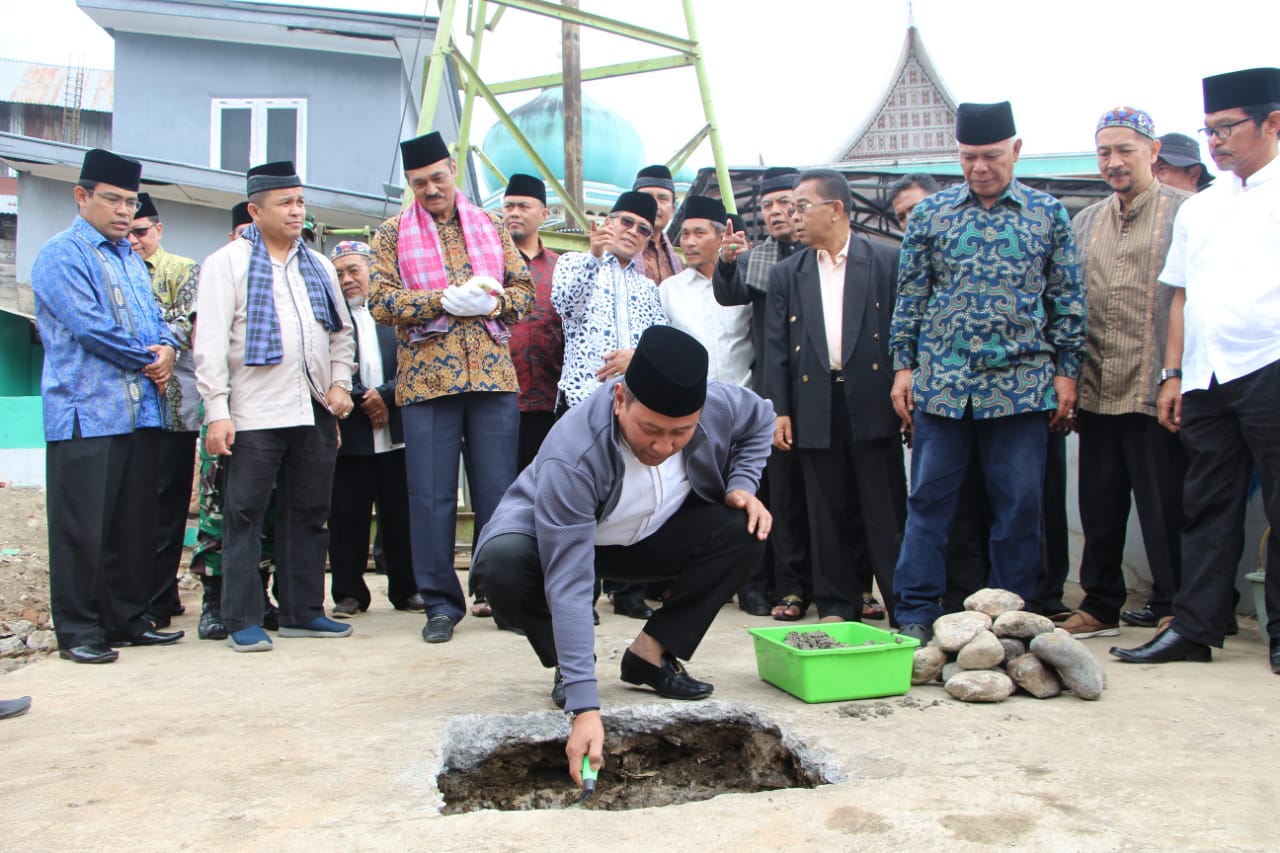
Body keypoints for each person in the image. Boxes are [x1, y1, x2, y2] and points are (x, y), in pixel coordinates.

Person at [470, 325, 773, 790]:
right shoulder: (574, 453)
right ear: (619, 399)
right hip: (562, 542)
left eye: (681, 433)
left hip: (649, 536)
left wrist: (741, 486)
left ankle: (649, 655)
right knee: (502, 563)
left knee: (745, 527)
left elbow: (762, 418)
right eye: (650, 429)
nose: (663, 445)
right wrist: (586, 708)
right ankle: (567, 670)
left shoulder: (719, 404)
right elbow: (568, 581)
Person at [889, 102, 1085, 644]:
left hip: (1022, 387)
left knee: (1019, 505)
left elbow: (1067, 298)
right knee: (928, 502)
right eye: (969, 156)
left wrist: (1067, 373)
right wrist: (902, 366)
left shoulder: (1048, 213)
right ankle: (916, 610)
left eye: (991, 156)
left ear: (1015, 151)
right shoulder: (932, 215)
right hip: (944, 388)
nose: (979, 167)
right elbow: (911, 296)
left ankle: (1011, 617)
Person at [1111, 67, 1280, 674]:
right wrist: (1173, 374)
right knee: (1206, 505)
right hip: (1207, 377)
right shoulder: (1202, 209)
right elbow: (1179, 295)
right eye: (1210, 132)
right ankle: (1195, 626)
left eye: (1229, 129)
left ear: (1273, 123)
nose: (1217, 143)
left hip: (1271, 367)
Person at [369, 131, 534, 644]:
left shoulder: (488, 225)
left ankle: (499, 594)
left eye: (437, 178)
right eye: (420, 183)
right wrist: (440, 299)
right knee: (431, 497)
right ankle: (441, 603)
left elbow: (524, 291)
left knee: (498, 493)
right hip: (426, 382)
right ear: (410, 185)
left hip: (491, 376)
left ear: (453, 171)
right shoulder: (392, 234)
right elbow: (380, 301)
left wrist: (494, 304)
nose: (431, 189)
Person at [195, 160, 356, 652]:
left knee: (309, 511)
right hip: (252, 411)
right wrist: (217, 410)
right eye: (285, 203)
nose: (296, 211)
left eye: (301, 202)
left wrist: (341, 383)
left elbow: (340, 333)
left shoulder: (320, 265)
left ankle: (302, 611)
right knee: (243, 515)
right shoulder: (227, 263)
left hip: (311, 409)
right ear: (255, 210)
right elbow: (211, 340)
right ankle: (241, 618)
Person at [31, 148, 184, 663]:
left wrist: (168, 348)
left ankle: (125, 620)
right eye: (113, 200)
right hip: (86, 413)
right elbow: (90, 326)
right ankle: (78, 630)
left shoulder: (130, 258)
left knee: (132, 524)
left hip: (140, 410)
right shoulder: (62, 254)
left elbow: (157, 319)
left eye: (131, 202)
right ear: (82, 196)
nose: (124, 212)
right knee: (83, 529)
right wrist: (151, 359)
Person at [1057, 107, 1192, 639]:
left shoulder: (1187, 214)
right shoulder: (1085, 222)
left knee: (1167, 507)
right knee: (1100, 506)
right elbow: (1067, 304)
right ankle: (1101, 604)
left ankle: (1181, 607)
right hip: (1097, 387)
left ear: (1153, 152)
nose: (1114, 162)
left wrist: (1177, 373)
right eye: (1104, 152)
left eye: (1125, 151)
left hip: (1156, 388)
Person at [765, 169, 906, 624]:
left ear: (837, 209)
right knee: (825, 508)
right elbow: (777, 349)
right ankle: (837, 605)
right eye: (791, 207)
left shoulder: (885, 261)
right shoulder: (789, 273)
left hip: (872, 398)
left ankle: (904, 605)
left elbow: (906, 334)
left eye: (802, 206)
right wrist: (780, 411)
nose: (793, 216)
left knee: (883, 508)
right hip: (814, 403)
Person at [552, 190, 667, 620]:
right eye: (626, 223)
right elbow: (565, 306)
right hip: (583, 398)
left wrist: (635, 357)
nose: (632, 234)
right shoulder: (573, 265)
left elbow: (659, 343)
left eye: (643, 230)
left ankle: (627, 590)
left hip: (633, 406)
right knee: (581, 500)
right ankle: (581, 591)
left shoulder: (647, 287)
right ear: (608, 222)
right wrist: (591, 256)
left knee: (628, 496)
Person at [715, 167, 811, 620]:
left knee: (830, 493)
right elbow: (730, 293)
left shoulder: (822, 257)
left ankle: (848, 584)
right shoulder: (760, 258)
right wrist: (730, 260)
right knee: (785, 496)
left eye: (785, 202)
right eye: (768, 205)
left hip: (825, 389)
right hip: (776, 393)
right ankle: (788, 587)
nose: (777, 212)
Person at [325, 240, 420, 617]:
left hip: (398, 429)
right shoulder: (330, 319)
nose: (348, 279)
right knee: (347, 516)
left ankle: (407, 589)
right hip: (352, 430)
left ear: (373, 272)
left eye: (354, 271)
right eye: (340, 273)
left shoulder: (395, 314)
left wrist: (387, 395)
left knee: (401, 515)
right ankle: (349, 593)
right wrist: (366, 397)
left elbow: (416, 363)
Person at [127, 192, 202, 627]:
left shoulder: (182, 270)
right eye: (130, 232)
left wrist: (159, 347)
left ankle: (160, 597)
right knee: (135, 505)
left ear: (158, 229)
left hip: (174, 408)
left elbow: (189, 322)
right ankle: (143, 595)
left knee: (169, 506)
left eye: (143, 231)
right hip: (129, 411)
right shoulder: (115, 269)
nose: (135, 240)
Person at [501, 173, 563, 472]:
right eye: (509, 206)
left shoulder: (561, 267)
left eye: (523, 206)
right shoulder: (489, 265)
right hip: (499, 402)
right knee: (497, 491)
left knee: (545, 485)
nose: (514, 213)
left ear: (543, 214)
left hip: (549, 402)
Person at [660, 195, 752, 387]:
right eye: (685, 234)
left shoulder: (744, 286)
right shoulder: (669, 290)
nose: (689, 242)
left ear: (721, 239)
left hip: (745, 400)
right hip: (691, 404)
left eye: (699, 233)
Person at [632, 165, 683, 285]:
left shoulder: (680, 265)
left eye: (663, 198)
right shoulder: (614, 253)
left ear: (673, 209)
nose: (655, 205)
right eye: (647, 197)